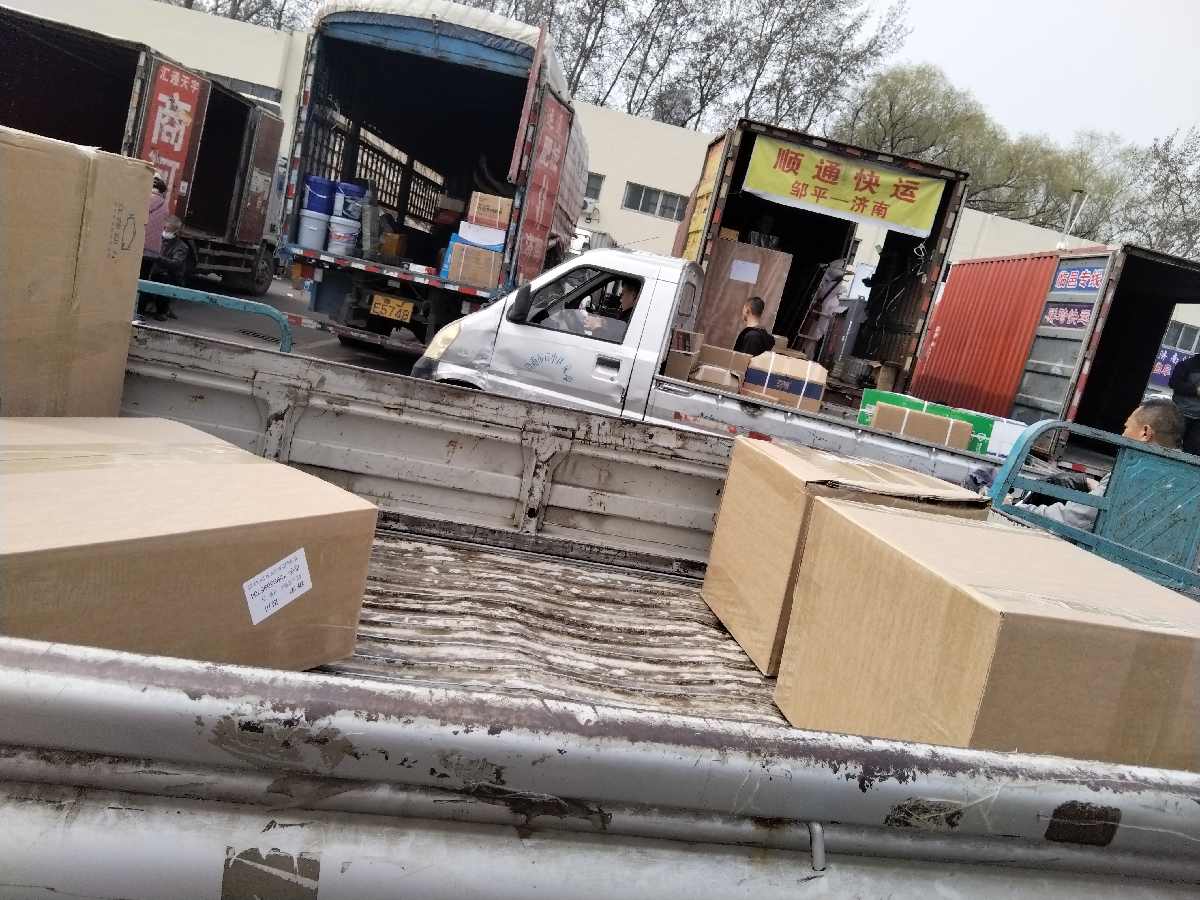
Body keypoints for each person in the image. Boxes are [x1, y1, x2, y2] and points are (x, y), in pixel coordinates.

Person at [1017, 398, 1185, 530]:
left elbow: (1070, 520)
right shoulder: (1187, 480)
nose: (1123, 434)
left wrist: (1018, 508)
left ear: (1145, 433)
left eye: (1126, 427)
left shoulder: (1133, 473)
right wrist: (1099, 487)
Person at [143, 216, 191, 321]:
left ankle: (162, 311)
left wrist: (158, 258)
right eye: (164, 228)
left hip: (170, 275)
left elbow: (175, 264)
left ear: (176, 231)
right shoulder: (155, 239)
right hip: (154, 272)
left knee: (163, 279)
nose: (165, 231)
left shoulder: (181, 246)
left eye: (168, 229)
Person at [1167, 352, 1200, 453]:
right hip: (1180, 414)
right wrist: (1196, 390)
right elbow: (1174, 383)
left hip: (1198, 421)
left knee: (1193, 451)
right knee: (1169, 445)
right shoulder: (1187, 365)